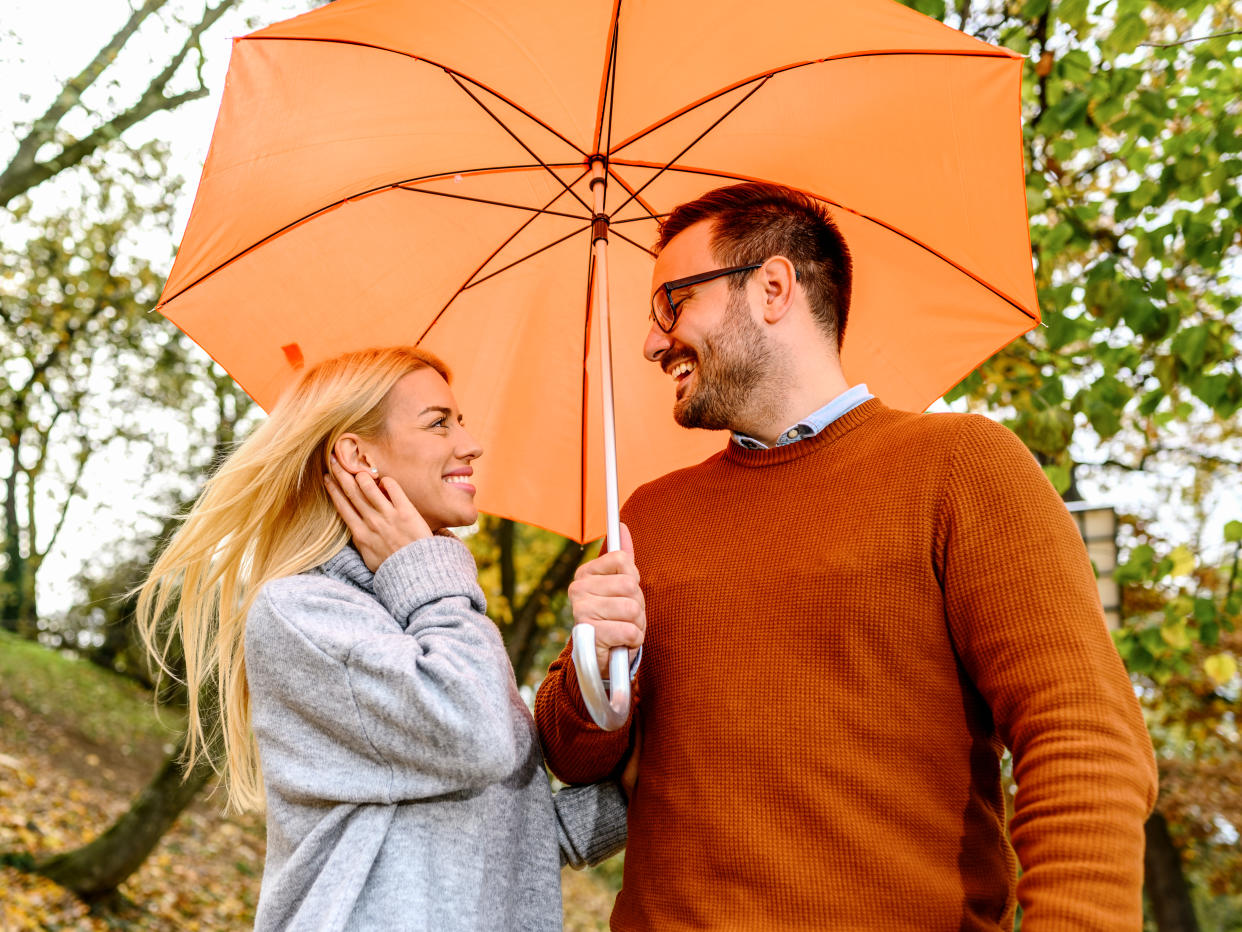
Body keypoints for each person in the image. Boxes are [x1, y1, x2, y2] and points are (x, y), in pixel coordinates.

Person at [534, 183, 1157, 930]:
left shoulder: (959, 465)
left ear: (772, 287)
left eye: (673, 301)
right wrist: (601, 660)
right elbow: (575, 756)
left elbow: (1080, 734)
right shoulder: (648, 516)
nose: (652, 340)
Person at [137, 346, 628, 932]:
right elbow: (476, 737)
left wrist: (639, 794)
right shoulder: (303, 614)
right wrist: (423, 568)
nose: (469, 444)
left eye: (462, 422)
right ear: (356, 454)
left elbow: (496, 832)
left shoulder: (426, 609)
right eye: (439, 422)